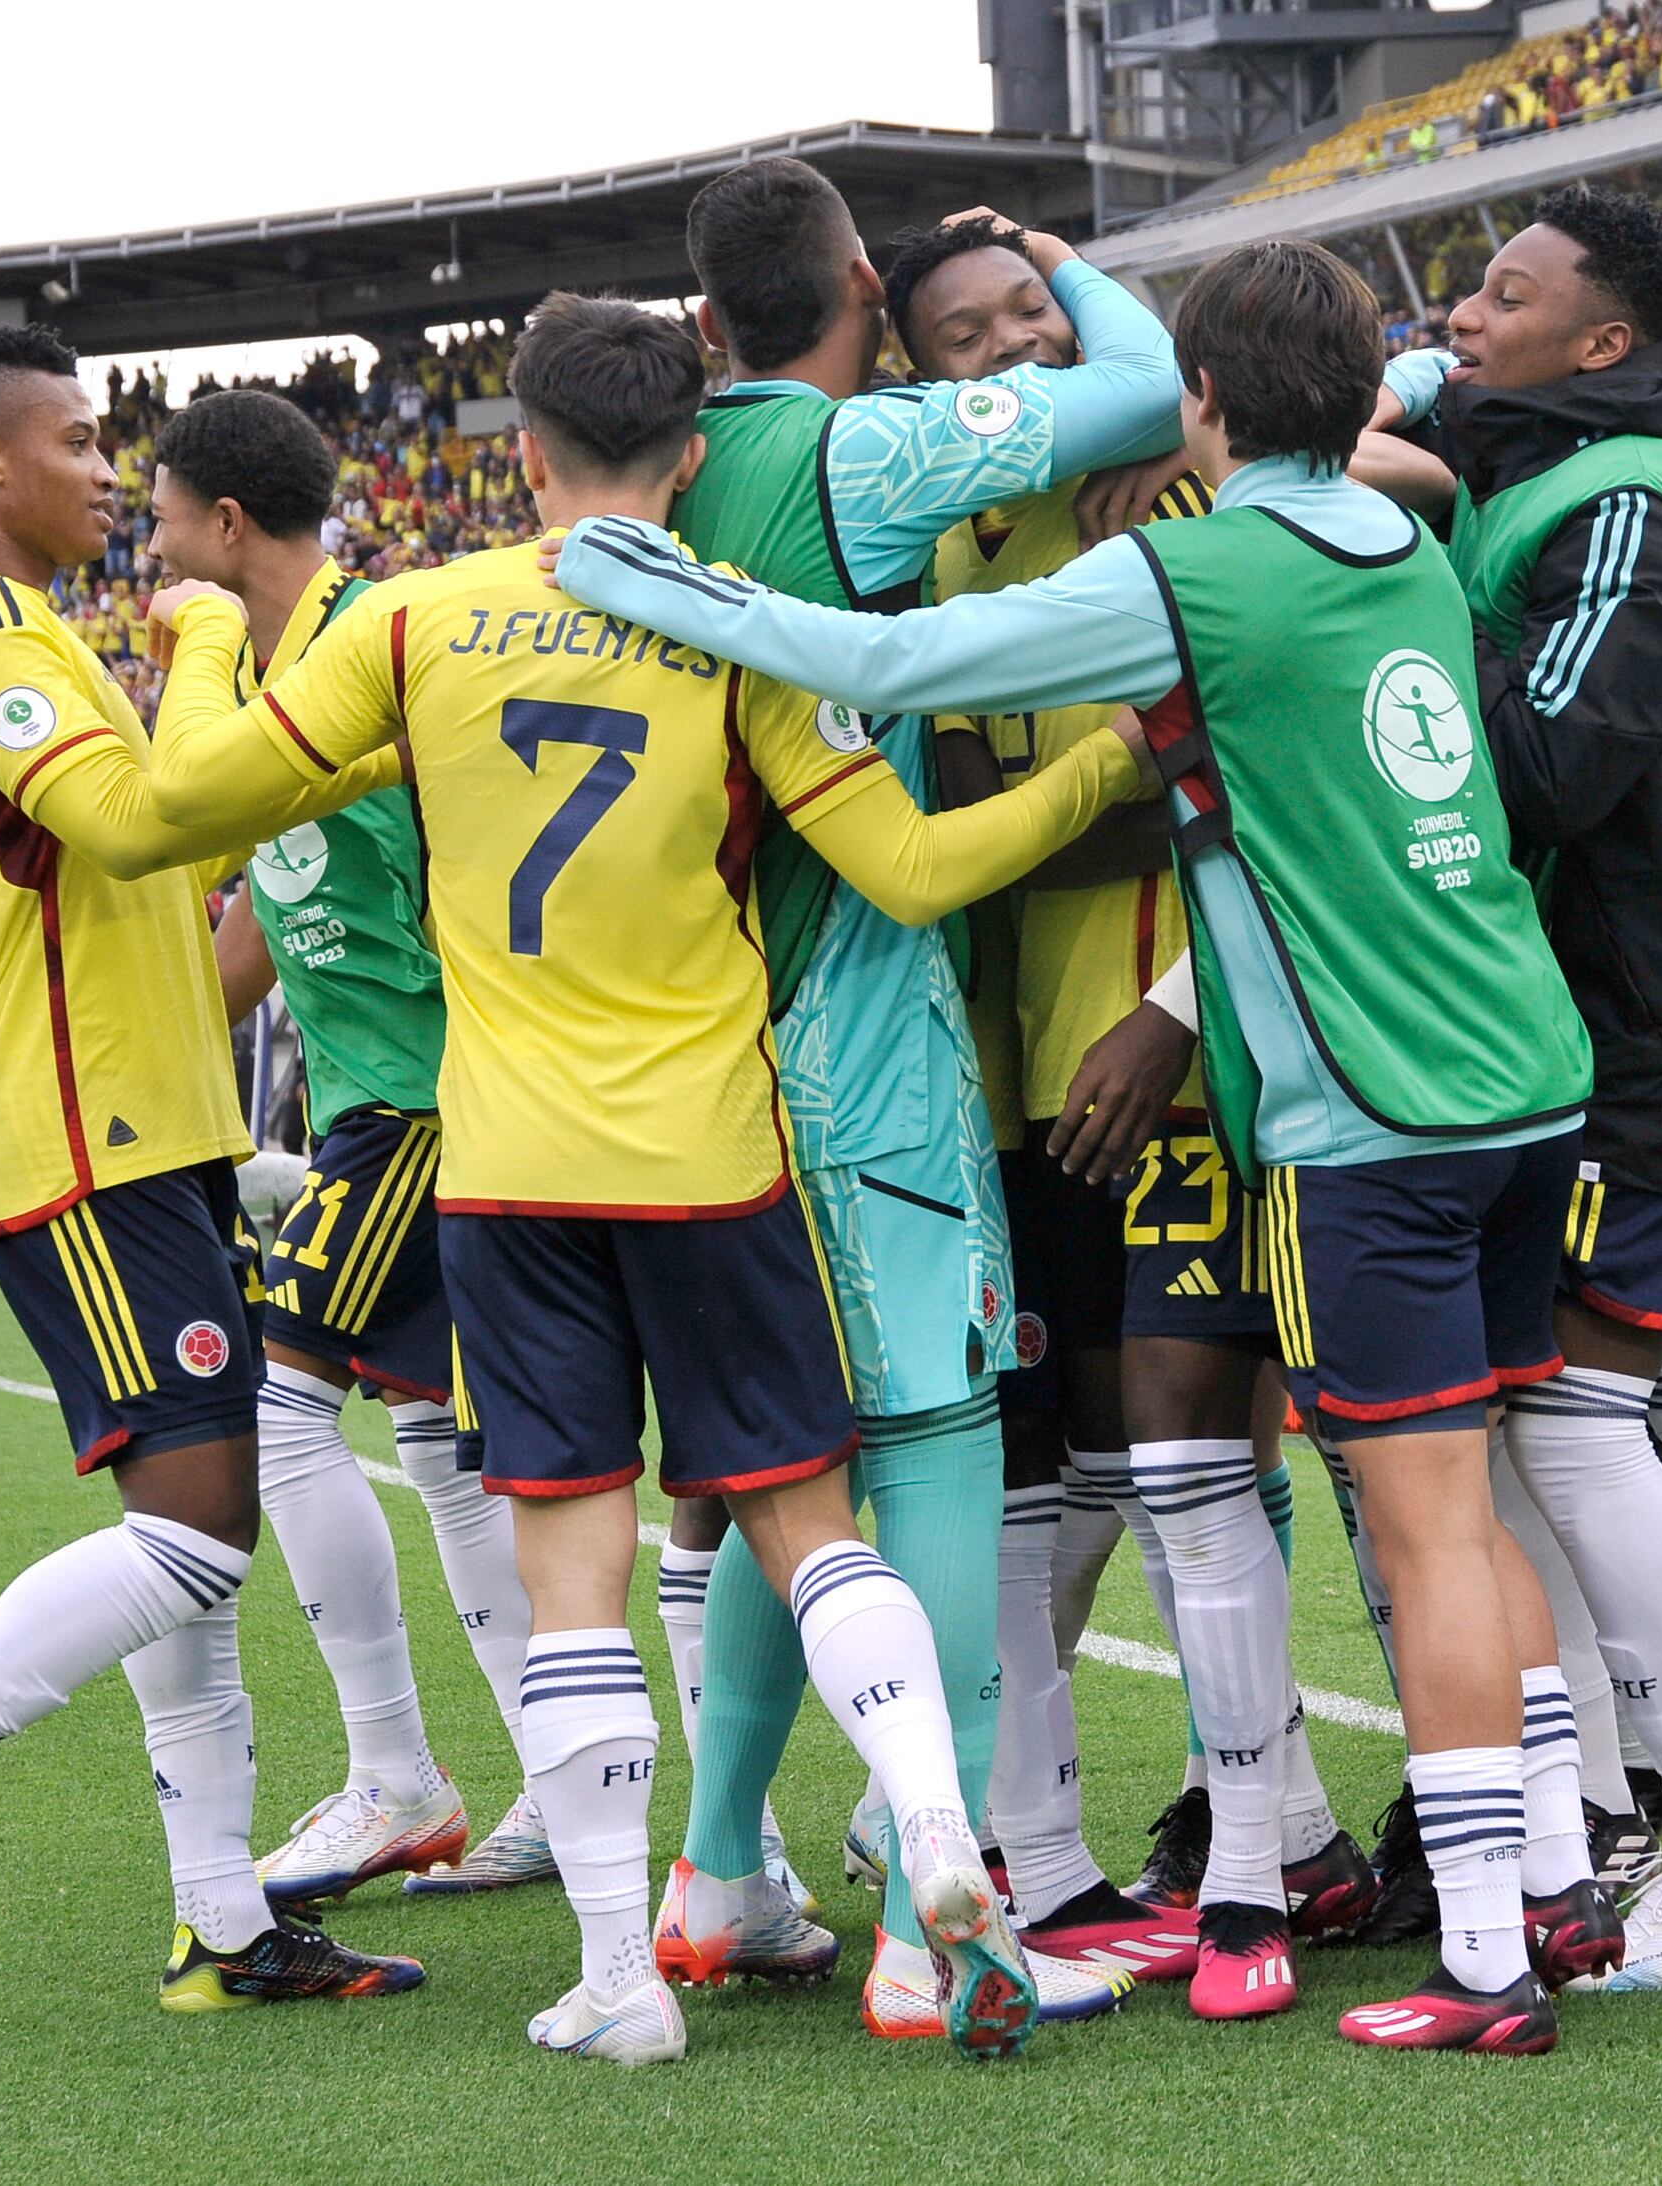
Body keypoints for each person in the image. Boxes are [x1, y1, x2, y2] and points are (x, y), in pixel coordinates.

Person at [554, 237, 1606, 2056]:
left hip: (1371, 1107)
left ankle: (1490, 1959)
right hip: (1522, 1071)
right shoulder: (1399, 545)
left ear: (1203, 404)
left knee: (1419, 1526)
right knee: (1471, 1506)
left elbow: (881, 654)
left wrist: (668, 585)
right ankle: (1543, 1881)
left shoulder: (1189, 573)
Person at [143, 291, 1141, 2064]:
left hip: (508, 1168)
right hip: (713, 1153)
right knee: (809, 1520)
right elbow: (908, 870)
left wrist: (210, 636)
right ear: (687, 462)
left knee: (574, 1571)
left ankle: (618, 1974)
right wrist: (1100, 768)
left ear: (519, 453)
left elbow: (182, 798)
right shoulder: (737, 640)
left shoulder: (418, 621)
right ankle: (931, 1847)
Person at [0, 324, 426, 2019]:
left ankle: (224, 1924)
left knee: (178, 1526)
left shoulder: (18, 631)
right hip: (84, 1140)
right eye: (80, 436)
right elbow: (133, 825)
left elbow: (133, 905)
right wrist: (196, 648)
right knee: (195, 1536)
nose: (109, 470)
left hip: (149, 1133)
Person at [636, 160, 1185, 2039]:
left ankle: (712, 1877)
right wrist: (1048, 261)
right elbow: (1133, 382)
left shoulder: (633, 481)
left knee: (787, 1478)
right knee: (939, 1453)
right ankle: (929, 1915)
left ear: (699, 325)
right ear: (861, 285)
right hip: (857, 1026)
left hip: (675, 1045)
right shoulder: (851, 455)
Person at [881, 210, 1368, 1994]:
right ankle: (1093, 1831)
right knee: (1063, 1448)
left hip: (1183, 1041)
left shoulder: (1182, 496)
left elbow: (1246, 760)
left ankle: (1277, 1836)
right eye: (965, 334)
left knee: (1192, 1448)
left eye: (1033, 312)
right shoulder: (929, 534)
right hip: (1008, 1067)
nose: (1011, 350)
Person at [1362, 183, 1662, 1990]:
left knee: (1568, 1413)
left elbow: (1549, 765)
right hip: (1626, 1010)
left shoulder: (1630, 499)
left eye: (1504, 291)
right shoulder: (1535, 463)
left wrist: (1399, 604)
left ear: (1603, 341)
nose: (1462, 315)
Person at [144, 385, 552, 1903]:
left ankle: (393, 1767)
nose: (157, 551)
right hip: (389, 1106)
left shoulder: (366, 650)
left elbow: (471, 862)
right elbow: (258, 918)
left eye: (167, 521)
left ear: (227, 523)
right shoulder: (271, 680)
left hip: (435, 1103)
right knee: (453, 1455)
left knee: (280, 1409)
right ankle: (539, 1784)